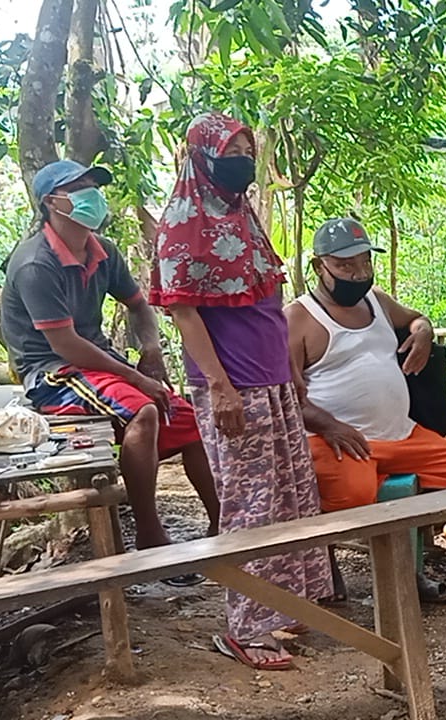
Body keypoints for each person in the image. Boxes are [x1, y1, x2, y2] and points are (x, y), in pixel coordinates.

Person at [151, 112, 332, 671]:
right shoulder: (182, 226)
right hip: (232, 386)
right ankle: (246, 627)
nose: (244, 158)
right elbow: (184, 312)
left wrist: (288, 368)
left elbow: (264, 303)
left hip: (271, 380)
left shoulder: (243, 218)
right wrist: (223, 388)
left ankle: (286, 605)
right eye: (232, 149)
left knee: (288, 496)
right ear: (202, 157)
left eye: (249, 148)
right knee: (251, 506)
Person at [0, 159, 219, 583]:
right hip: (51, 373)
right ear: (52, 202)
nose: (91, 195)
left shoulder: (103, 252)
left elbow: (139, 305)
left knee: (190, 421)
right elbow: (64, 346)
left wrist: (151, 348)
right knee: (144, 411)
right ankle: (150, 536)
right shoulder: (35, 264)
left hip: (95, 363)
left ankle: (222, 525)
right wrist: (136, 377)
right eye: (78, 187)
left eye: (93, 186)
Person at [285, 217, 446, 602]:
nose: (358, 273)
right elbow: (287, 396)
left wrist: (423, 331)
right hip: (338, 438)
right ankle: (328, 562)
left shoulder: (376, 300)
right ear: (318, 267)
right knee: (353, 499)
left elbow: (416, 319)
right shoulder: (298, 317)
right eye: (345, 266)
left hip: (399, 433)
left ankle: (410, 558)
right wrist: (329, 425)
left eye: (364, 263)